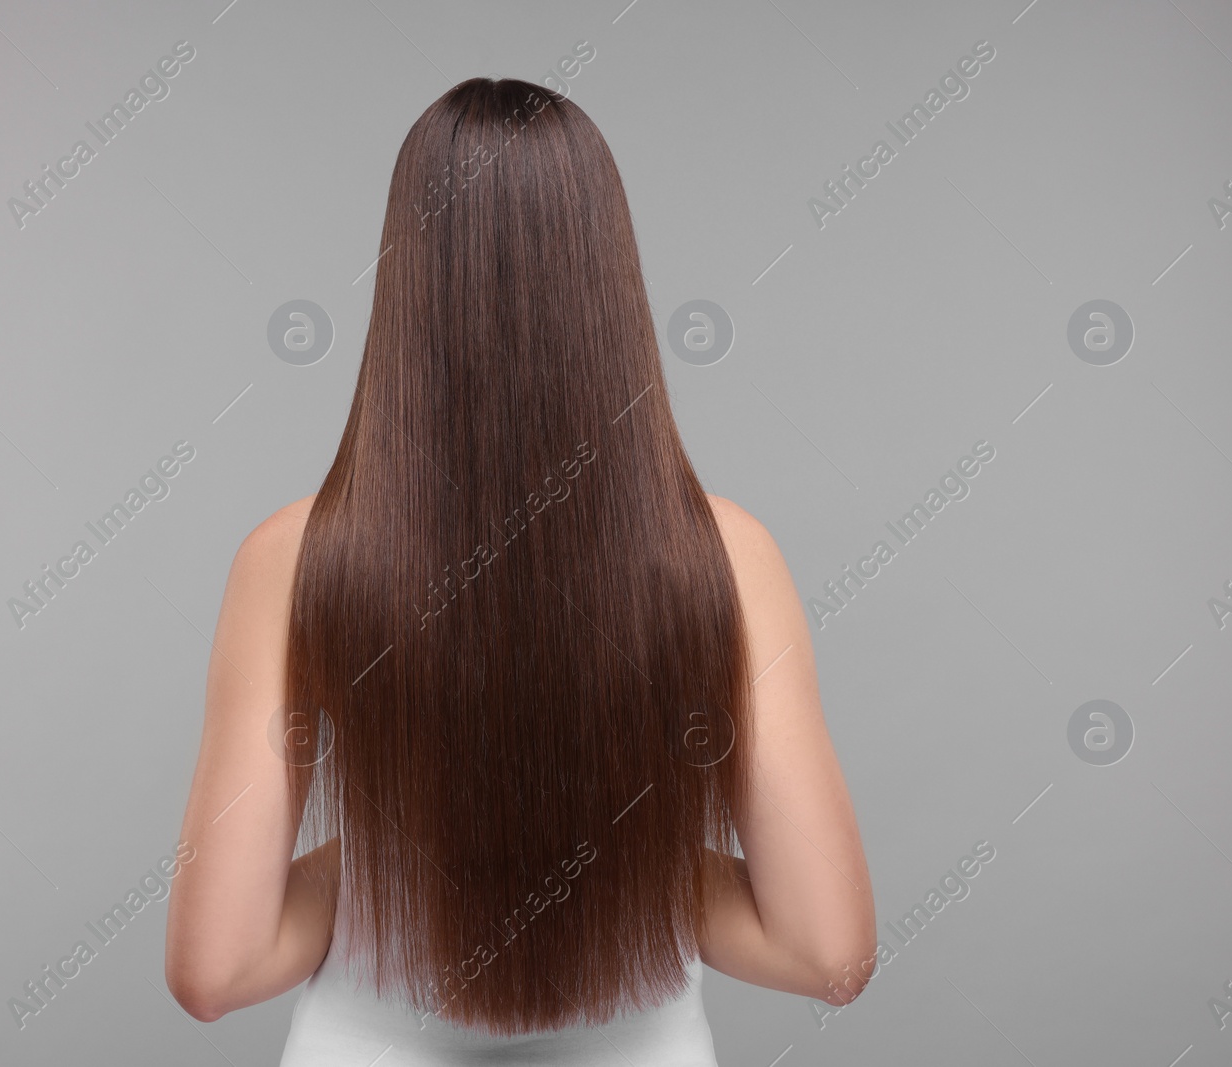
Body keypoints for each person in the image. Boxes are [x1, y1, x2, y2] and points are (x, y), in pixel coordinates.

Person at [165, 77, 875, 1064]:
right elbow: (824, 951)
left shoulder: (292, 560)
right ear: (607, 273)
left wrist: (399, 865)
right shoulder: (723, 555)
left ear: (406, 277)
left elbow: (216, 969)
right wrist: (604, 859)